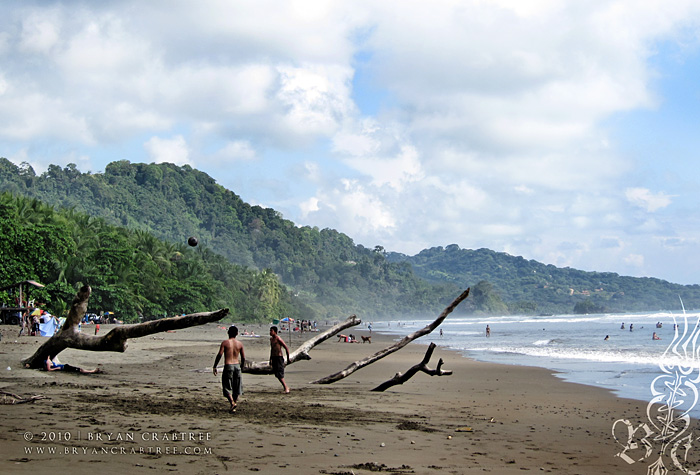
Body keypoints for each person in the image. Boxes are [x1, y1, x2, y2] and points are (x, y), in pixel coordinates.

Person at [213, 325, 245, 413]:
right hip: (237, 365)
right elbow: (243, 358)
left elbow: (219, 354)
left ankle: (232, 403)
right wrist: (242, 367)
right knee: (236, 387)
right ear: (237, 333)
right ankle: (234, 404)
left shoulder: (225, 343)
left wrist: (215, 366)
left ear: (228, 333)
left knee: (227, 386)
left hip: (228, 365)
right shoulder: (240, 344)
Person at [269, 326, 291, 393]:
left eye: (271, 331)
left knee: (280, 374)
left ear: (275, 332)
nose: (270, 332)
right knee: (276, 374)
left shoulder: (278, 339)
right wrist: (270, 359)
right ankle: (285, 387)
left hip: (279, 357)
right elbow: (272, 349)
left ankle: (286, 388)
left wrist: (288, 358)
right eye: (270, 330)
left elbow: (286, 348)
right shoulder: (271, 339)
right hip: (274, 357)